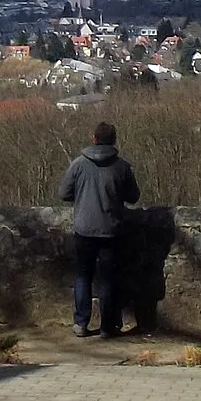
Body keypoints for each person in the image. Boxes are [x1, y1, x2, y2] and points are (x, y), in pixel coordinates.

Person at [57, 121, 140, 338]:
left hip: (84, 228)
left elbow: (64, 193)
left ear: (93, 138)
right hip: (111, 230)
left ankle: (81, 323)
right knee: (108, 278)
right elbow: (133, 197)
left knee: (83, 275)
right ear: (114, 141)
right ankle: (107, 326)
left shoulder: (78, 165)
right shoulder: (121, 167)